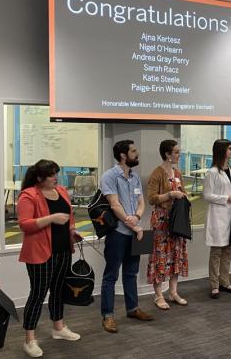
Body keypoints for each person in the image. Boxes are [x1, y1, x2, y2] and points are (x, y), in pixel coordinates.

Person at [17, 159, 81, 357]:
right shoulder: (28, 195)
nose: (56, 178)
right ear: (39, 178)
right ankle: (29, 339)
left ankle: (58, 328)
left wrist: (72, 230)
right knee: (37, 294)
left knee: (59, 290)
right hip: (40, 252)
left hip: (62, 250)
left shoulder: (61, 191)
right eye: (52, 174)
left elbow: (69, 216)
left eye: (56, 173)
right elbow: (25, 224)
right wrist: (51, 219)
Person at [100, 140, 153, 333]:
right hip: (118, 234)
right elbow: (114, 205)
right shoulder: (109, 176)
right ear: (123, 155)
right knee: (110, 276)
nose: (136, 153)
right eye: (133, 151)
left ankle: (132, 309)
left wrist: (137, 217)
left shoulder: (134, 177)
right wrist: (134, 226)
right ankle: (107, 316)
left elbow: (141, 203)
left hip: (134, 232)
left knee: (131, 274)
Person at [146, 139, 189, 310]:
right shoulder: (157, 173)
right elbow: (151, 198)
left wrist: (182, 196)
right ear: (167, 154)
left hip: (176, 220)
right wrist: (171, 194)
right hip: (162, 220)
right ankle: (158, 295)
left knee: (176, 255)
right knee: (160, 256)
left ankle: (173, 292)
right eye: (176, 152)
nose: (179, 155)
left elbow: (184, 193)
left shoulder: (177, 173)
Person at [203, 139, 231, 299]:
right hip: (217, 216)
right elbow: (207, 195)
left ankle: (225, 281)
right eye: (229, 149)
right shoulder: (212, 172)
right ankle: (214, 285)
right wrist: (227, 198)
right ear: (221, 151)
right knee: (216, 252)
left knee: (228, 250)